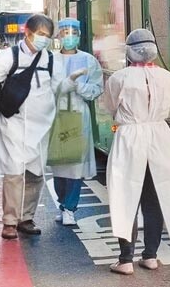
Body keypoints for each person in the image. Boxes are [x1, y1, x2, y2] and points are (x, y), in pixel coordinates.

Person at [104, 29, 170, 275]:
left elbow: (111, 106)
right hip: (159, 136)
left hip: (130, 137)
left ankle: (125, 259)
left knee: (126, 196)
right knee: (154, 198)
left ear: (129, 51)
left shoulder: (119, 78)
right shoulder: (167, 77)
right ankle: (151, 255)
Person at [0, 14, 72, 239]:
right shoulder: (9, 55)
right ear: (28, 32)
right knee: (14, 172)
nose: (43, 40)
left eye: (47, 36)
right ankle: (10, 221)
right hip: (14, 124)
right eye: (40, 35)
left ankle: (26, 218)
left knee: (36, 174)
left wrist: (73, 81)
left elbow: (60, 87)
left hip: (41, 127)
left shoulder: (50, 59)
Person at [50, 18, 104, 225]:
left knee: (74, 165)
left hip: (79, 115)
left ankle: (71, 208)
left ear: (79, 36)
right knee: (59, 164)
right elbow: (45, 89)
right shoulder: (51, 61)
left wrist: (80, 88)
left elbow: (96, 89)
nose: (69, 37)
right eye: (64, 33)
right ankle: (63, 203)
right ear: (59, 36)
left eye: (73, 33)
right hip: (57, 115)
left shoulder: (89, 61)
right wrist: (67, 84)